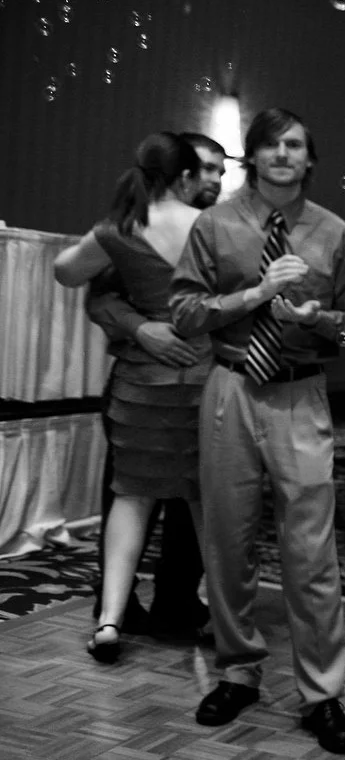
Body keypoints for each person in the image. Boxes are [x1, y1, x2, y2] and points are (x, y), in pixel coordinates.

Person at [170, 107, 345, 754]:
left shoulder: (334, 233)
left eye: (295, 145)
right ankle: (237, 670)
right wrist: (253, 298)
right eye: (271, 144)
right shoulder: (215, 224)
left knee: (311, 551)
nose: (283, 154)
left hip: (301, 392)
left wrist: (319, 320)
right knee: (227, 540)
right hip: (229, 386)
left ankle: (322, 694)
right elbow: (183, 313)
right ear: (251, 156)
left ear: (310, 160)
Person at [52, 132, 213, 664]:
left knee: (130, 496)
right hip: (203, 372)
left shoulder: (120, 229)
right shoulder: (213, 226)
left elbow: (66, 271)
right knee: (207, 500)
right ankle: (225, 618)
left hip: (142, 382)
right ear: (187, 177)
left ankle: (108, 621)